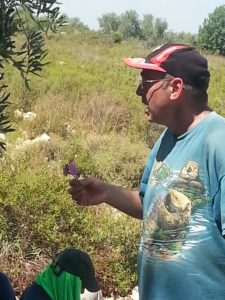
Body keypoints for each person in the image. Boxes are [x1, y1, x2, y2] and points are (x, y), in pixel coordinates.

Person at [68, 43, 225, 300]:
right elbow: (150, 205)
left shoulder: (219, 142)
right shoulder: (167, 138)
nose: (138, 92)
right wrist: (107, 192)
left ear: (174, 88)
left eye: (145, 83)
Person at [20, 247, 102, 300]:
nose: (82, 292)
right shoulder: (35, 297)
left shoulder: (48, 293)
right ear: (66, 280)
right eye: (81, 286)